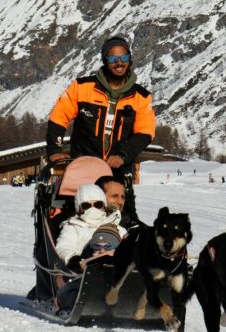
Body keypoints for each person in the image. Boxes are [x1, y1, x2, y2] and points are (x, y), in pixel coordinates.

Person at [45, 34, 156, 227]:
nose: (119, 63)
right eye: (113, 58)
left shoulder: (141, 97)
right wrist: (54, 151)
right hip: (82, 168)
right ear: (105, 61)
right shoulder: (82, 88)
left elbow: (145, 132)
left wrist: (122, 155)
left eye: (124, 58)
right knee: (72, 219)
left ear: (130, 59)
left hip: (118, 172)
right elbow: (58, 117)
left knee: (124, 222)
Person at [53, 184, 126, 311]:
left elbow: (128, 242)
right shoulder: (72, 227)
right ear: (79, 208)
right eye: (86, 205)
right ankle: (64, 300)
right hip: (83, 270)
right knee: (71, 287)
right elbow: (64, 245)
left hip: (114, 270)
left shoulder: (114, 224)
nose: (93, 209)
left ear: (104, 206)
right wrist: (73, 259)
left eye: (97, 205)